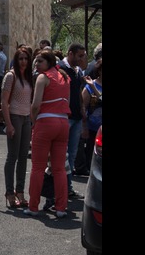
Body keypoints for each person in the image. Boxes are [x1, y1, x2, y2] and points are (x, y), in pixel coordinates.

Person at [24, 49, 71, 218]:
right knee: (59, 169)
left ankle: (33, 206)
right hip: (63, 122)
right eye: (36, 61)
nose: (36, 65)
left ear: (49, 62)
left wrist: (33, 121)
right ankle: (61, 208)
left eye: (39, 61)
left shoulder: (43, 78)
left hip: (45, 122)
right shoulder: (65, 77)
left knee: (37, 167)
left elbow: (36, 105)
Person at [0, 47, 35, 208]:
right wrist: (8, 124)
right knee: (12, 156)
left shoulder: (28, 77)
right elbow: (4, 103)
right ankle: (9, 192)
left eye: (26, 59)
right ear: (16, 60)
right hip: (14, 116)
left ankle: (20, 191)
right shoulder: (10, 76)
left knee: (23, 157)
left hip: (26, 117)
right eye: (20, 59)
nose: (23, 62)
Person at [57, 42, 87, 198]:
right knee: (62, 154)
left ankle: (67, 187)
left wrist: (82, 108)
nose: (81, 59)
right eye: (79, 56)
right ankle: (59, 188)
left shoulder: (78, 71)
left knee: (72, 153)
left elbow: (78, 91)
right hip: (65, 116)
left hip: (75, 117)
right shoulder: (60, 68)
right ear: (71, 53)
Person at [80, 57, 102, 173]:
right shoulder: (90, 86)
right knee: (91, 153)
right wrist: (84, 127)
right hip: (92, 126)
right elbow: (83, 106)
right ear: (99, 71)